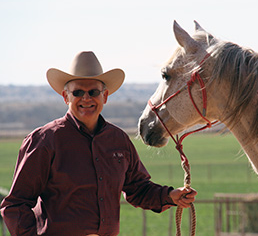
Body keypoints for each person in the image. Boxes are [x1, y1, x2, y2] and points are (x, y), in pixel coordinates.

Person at [0, 51, 197, 236]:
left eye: (93, 91)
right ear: (65, 96)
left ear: (105, 96)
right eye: (77, 92)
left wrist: (171, 195)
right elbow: (15, 205)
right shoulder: (44, 141)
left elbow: (138, 189)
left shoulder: (119, 141)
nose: (86, 98)